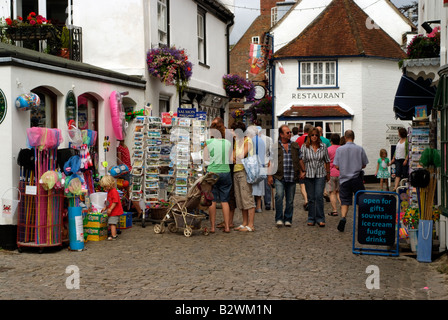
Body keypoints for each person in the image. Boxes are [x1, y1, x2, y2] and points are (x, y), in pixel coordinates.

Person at [333, 130, 369, 232]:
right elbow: (364, 164)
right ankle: (362, 220)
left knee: (344, 201)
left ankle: (343, 217)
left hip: (344, 179)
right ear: (354, 137)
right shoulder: (360, 149)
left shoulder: (340, 150)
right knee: (360, 200)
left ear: (345, 137)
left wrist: (344, 168)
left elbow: (336, 165)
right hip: (357, 178)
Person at [268, 124, 302, 227]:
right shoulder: (274, 146)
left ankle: (288, 218)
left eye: (290, 132)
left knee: (290, 200)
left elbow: (300, 159)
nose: (290, 134)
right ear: (281, 134)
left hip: (292, 176)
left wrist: (302, 170)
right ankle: (279, 218)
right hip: (279, 176)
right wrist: (269, 176)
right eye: (287, 132)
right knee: (279, 196)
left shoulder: (295, 145)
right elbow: (271, 162)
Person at [204, 120, 233, 233]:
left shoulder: (209, 142)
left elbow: (206, 158)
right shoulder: (227, 143)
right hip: (225, 172)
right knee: (225, 200)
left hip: (213, 173)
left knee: (213, 200)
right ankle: (227, 227)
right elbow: (230, 158)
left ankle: (212, 227)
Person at [299, 127, 330, 227]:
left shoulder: (323, 146)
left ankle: (320, 218)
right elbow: (301, 160)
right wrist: (302, 171)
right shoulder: (304, 147)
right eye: (312, 135)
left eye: (316, 135)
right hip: (309, 174)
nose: (314, 137)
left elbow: (327, 160)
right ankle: (311, 218)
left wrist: (328, 173)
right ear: (309, 136)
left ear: (319, 136)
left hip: (320, 174)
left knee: (319, 196)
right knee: (311, 197)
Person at [232, 121, 256, 232]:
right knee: (240, 199)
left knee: (247, 198)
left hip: (244, 171)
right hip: (236, 171)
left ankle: (251, 225)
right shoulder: (237, 142)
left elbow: (241, 156)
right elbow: (232, 157)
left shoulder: (248, 140)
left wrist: (235, 156)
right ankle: (244, 222)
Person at [117, 140, 144, 220]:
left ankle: (139, 211)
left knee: (131, 194)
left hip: (125, 172)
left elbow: (120, 162)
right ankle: (139, 210)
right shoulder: (125, 147)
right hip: (129, 170)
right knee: (132, 193)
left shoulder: (119, 148)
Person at [100, 175, 124, 240]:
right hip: (112, 211)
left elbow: (115, 201)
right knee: (111, 223)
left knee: (112, 223)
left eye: (106, 187)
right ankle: (113, 234)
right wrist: (105, 207)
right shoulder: (110, 191)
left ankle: (114, 235)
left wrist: (110, 208)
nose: (105, 189)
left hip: (115, 211)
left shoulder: (114, 191)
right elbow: (109, 201)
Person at [249, 126, 266, 213]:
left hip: (254, 166)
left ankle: (253, 206)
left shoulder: (252, 140)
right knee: (259, 187)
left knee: (252, 187)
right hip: (261, 165)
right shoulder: (261, 140)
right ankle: (258, 206)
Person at [296, 124, 312, 210]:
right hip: (311, 164)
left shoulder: (298, 139)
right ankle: (310, 200)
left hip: (301, 164)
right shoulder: (314, 139)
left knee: (302, 184)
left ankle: (306, 200)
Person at [390, 127, 409, 191]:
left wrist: (406, 159)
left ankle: (405, 187)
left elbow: (408, 151)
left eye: (398, 132)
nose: (398, 134)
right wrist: (393, 158)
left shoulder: (406, 141)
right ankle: (395, 187)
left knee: (404, 173)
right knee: (397, 173)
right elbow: (396, 150)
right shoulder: (399, 140)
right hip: (397, 158)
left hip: (403, 159)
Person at [326, 134, 341, 216]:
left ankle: (334, 210)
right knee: (339, 192)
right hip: (341, 172)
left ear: (331, 141)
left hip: (331, 172)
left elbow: (326, 162)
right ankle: (343, 207)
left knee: (332, 192)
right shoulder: (341, 149)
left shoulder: (328, 149)